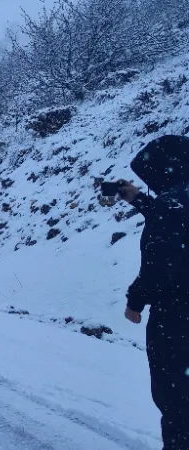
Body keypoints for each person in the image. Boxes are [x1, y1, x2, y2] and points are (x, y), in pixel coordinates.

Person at [117, 134, 189, 449]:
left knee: (177, 403)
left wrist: (135, 300)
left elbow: (163, 263)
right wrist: (139, 200)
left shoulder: (171, 204)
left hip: (177, 319)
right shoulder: (175, 202)